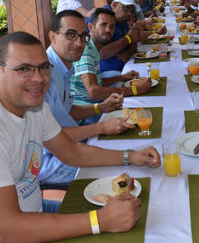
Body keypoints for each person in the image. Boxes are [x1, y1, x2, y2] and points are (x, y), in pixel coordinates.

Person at [0, 31, 161, 242]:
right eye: (24, 69)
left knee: (143, 216)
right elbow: (8, 228)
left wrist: (130, 157)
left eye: (43, 67)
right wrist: (100, 221)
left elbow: (72, 151)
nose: (38, 78)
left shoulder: (33, 105)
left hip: (31, 212)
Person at [40, 10, 136, 187]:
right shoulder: (44, 75)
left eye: (83, 36)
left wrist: (100, 108)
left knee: (122, 152)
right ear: (52, 37)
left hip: (68, 143)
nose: (79, 43)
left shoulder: (63, 66)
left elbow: (68, 110)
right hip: (47, 160)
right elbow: (50, 136)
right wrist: (101, 126)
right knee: (121, 175)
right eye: (70, 35)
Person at [70, 8, 151, 125]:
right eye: (103, 25)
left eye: (112, 26)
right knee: (140, 114)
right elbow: (93, 91)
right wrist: (135, 90)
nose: (108, 30)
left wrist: (121, 77)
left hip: (95, 106)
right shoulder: (86, 51)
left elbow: (96, 82)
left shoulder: (93, 47)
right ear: (91, 27)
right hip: (86, 116)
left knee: (139, 109)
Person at [99, 0, 141, 76]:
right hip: (105, 73)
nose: (129, 14)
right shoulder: (103, 21)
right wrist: (128, 39)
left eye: (132, 11)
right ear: (114, 5)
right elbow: (102, 54)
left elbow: (133, 47)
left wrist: (128, 52)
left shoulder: (123, 21)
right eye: (126, 8)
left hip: (124, 68)